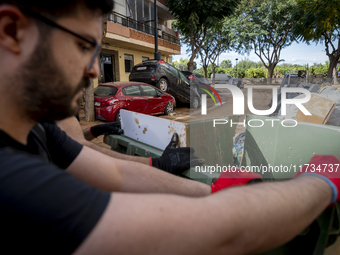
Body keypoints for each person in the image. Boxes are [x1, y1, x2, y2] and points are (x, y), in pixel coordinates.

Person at [0, 1, 339, 254]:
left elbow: (115, 174)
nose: (93, 72)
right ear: (12, 31)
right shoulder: (11, 177)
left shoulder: (37, 131)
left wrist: (211, 190)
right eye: (84, 47)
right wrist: (320, 181)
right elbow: (222, 232)